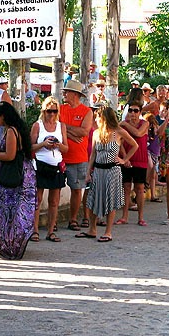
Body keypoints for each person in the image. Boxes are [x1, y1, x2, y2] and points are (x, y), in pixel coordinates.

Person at [0, 102, 37, 258]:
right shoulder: (16, 130)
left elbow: (10, 156)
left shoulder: (11, 131)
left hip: (12, 176)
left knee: (6, 211)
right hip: (20, 174)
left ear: (4, 116)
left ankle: (9, 243)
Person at [78, 107, 135, 242]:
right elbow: (93, 154)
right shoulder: (97, 133)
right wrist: (88, 172)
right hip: (98, 170)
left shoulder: (118, 132)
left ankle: (108, 231)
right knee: (93, 199)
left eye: (98, 117)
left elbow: (134, 145)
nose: (96, 120)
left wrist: (124, 160)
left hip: (112, 170)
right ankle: (92, 229)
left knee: (111, 200)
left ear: (104, 118)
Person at [31, 96, 68, 242]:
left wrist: (57, 145)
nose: (51, 114)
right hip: (40, 164)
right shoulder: (37, 125)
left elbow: (66, 148)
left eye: (54, 111)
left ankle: (51, 230)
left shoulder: (61, 126)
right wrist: (43, 144)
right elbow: (30, 146)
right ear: (44, 111)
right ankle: (34, 230)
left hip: (56, 165)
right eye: (49, 111)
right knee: (37, 199)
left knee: (54, 201)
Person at [59, 80, 95, 231]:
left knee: (76, 189)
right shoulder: (60, 109)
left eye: (67, 92)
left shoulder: (87, 111)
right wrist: (71, 134)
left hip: (78, 157)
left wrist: (64, 129)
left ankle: (73, 219)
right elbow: (55, 128)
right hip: (59, 156)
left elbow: (84, 132)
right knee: (55, 190)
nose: (64, 94)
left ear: (74, 94)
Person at [118, 102, 150, 226]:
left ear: (140, 112)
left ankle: (140, 217)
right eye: (130, 110)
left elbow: (138, 133)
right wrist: (125, 158)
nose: (132, 113)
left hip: (140, 159)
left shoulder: (144, 123)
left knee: (140, 188)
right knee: (126, 188)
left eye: (135, 111)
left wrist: (125, 123)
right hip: (126, 159)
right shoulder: (122, 126)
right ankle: (124, 216)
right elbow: (119, 142)